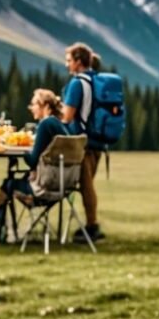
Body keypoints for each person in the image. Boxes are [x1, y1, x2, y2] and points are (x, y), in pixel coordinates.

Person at [0, 89, 70, 236]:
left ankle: (0, 231)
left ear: (46, 106)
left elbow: (33, 161)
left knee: (8, 184)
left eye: (34, 104)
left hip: (45, 187)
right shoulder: (59, 124)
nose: (31, 108)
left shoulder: (45, 124)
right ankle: (3, 227)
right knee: (12, 181)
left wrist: (22, 152)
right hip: (64, 184)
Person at [61, 42, 105, 243]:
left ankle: (91, 227)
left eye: (69, 60)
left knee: (86, 187)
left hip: (82, 143)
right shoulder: (97, 80)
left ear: (79, 62)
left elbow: (67, 117)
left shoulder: (78, 83)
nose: (67, 64)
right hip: (98, 142)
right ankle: (90, 226)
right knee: (88, 186)